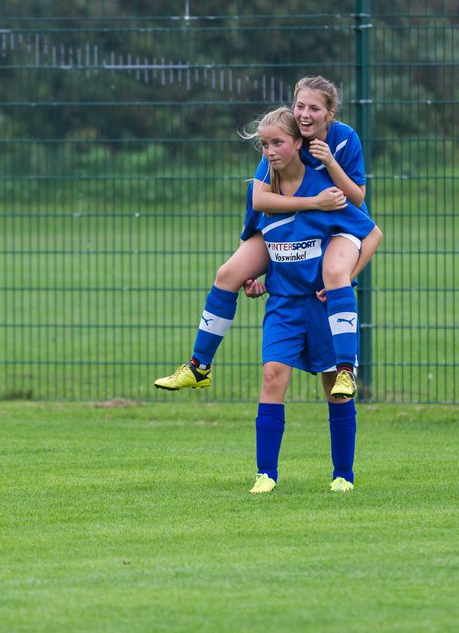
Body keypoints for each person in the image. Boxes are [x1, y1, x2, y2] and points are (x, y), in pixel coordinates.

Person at [154, 76, 372, 399]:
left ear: (330, 113)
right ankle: (199, 366)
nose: (305, 113)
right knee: (227, 274)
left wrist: (329, 162)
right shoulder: (282, 141)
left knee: (335, 275)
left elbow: (357, 199)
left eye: (314, 107)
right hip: (298, 220)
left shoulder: (343, 140)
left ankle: (345, 370)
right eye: (300, 105)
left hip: (340, 224)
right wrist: (310, 204)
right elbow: (259, 201)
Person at [238, 108, 382, 494]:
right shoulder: (263, 195)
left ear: (298, 143)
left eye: (277, 143)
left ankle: (343, 474)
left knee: (334, 383)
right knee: (272, 377)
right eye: (264, 145)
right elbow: (268, 247)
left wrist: (344, 278)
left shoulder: (325, 191)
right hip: (283, 306)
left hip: (321, 306)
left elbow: (371, 232)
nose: (269, 151)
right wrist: (258, 281)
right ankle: (266, 473)